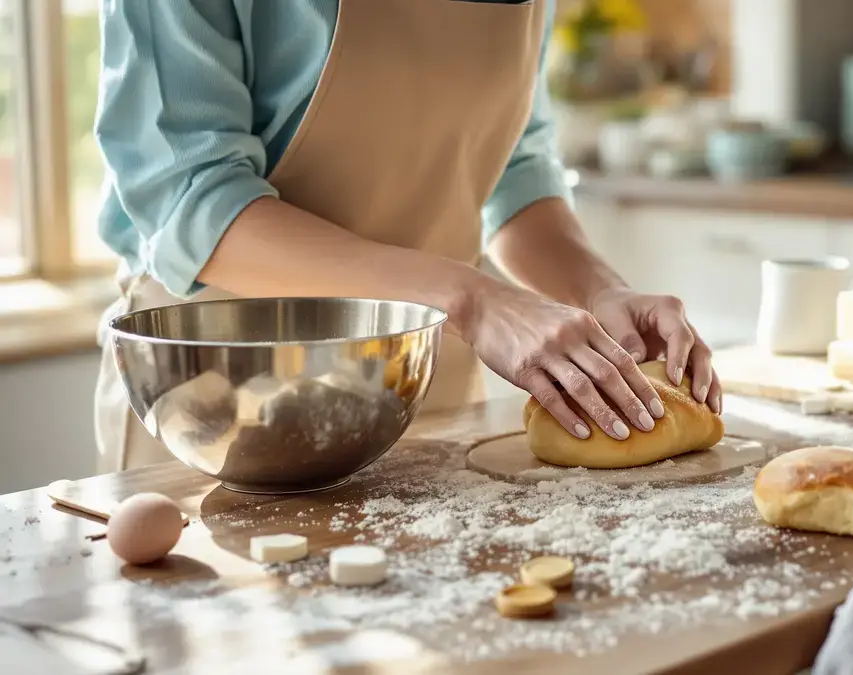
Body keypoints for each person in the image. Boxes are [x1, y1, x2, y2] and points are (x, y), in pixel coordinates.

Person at [91, 0, 721, 473]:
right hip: (225, 407)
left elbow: (515, 170)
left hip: (422, 393)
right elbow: (193, 203)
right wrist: (475, 301)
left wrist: (599, 291)